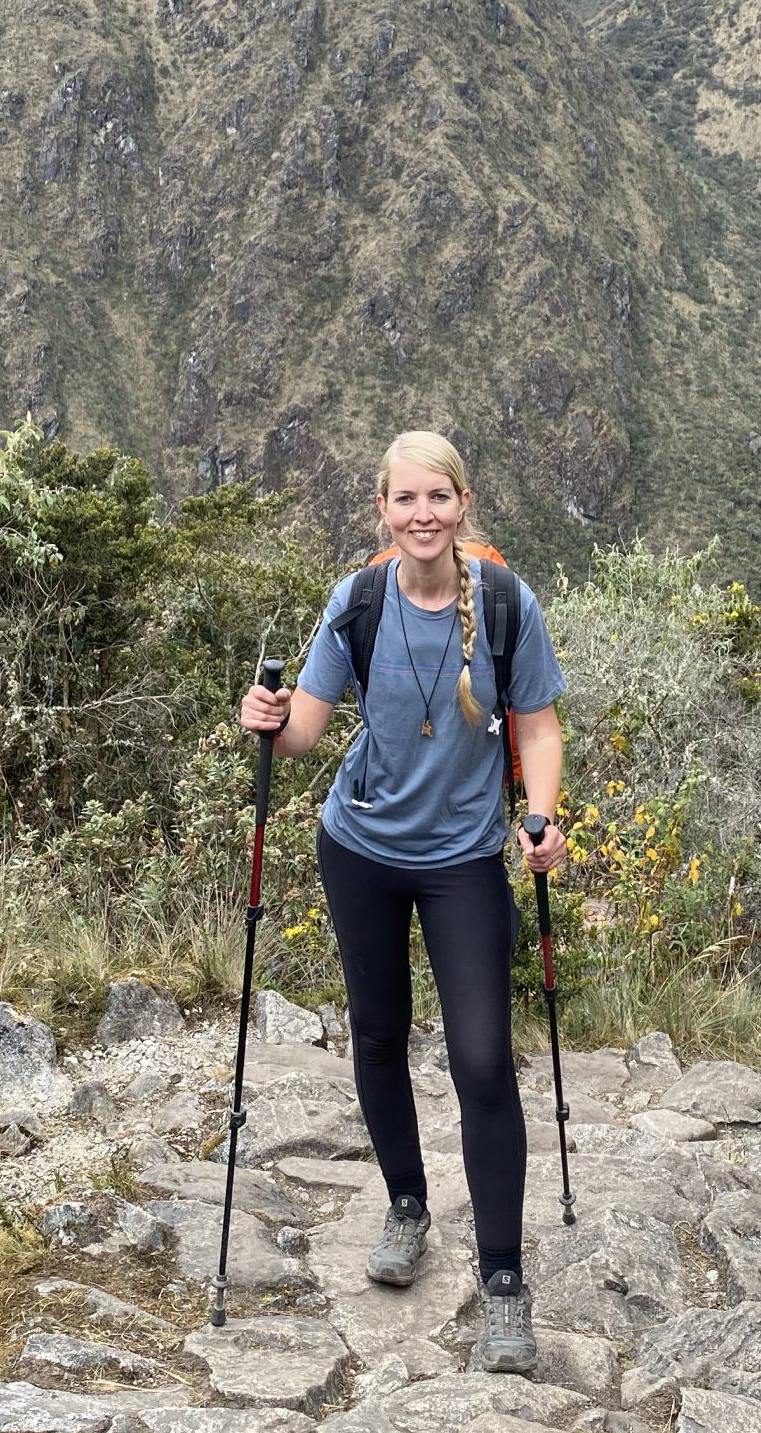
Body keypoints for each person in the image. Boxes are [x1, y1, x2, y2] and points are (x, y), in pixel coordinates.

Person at [239, 430, 567, 1374]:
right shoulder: (361, 601)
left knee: (482, 1060)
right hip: (361, 850)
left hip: (463, 858)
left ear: (464, 506)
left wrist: (539, 816)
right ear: (382, 511)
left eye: (439, 498)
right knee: (378, 1034)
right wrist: (265, 720)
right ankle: (407, 1205)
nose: (422, 515)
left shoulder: (505, 605)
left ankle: (503, 1279)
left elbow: (537, 728)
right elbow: (302, 729)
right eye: (405, 500)